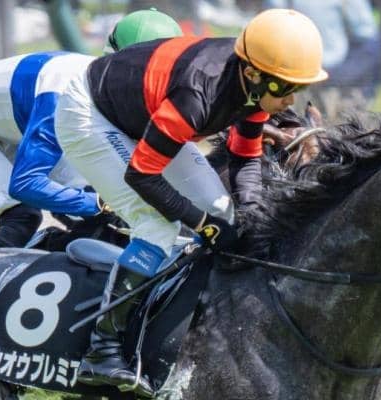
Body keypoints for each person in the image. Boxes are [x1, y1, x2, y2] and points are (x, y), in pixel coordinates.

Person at [54, 8, 327, 396]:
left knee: (225, 210)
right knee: (157, 225)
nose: (291, 100)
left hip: (144, 117)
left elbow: (245, 156)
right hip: (91, 116)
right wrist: (202, 224)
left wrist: (250, 215)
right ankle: (102, 348)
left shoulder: (252, 82)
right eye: (285, 88)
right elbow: (142, 175)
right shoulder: (199, 94)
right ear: (253, 74)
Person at [0, 8, 181, 249]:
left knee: (98, 209)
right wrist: (100, 203)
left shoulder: (105, 87)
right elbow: (26, 184)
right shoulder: (64, 97)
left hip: (14, 123)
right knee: (23, 216)